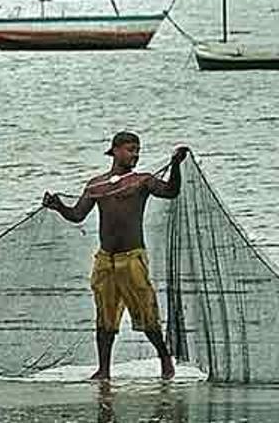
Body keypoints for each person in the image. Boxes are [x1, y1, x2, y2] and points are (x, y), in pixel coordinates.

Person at [41, 131, 189, 381]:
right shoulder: (96, 185)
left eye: (138, 150)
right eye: (131, 149)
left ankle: (165, 360)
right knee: (105, 316)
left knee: (146, 313)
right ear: (116, 150)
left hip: (132, 258)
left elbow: (171, 191)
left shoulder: (143, 180)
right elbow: (77, 215)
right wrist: (58, 207)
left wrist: (175, 166)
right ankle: (104, 370)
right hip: (105, 259)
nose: (135, 155)